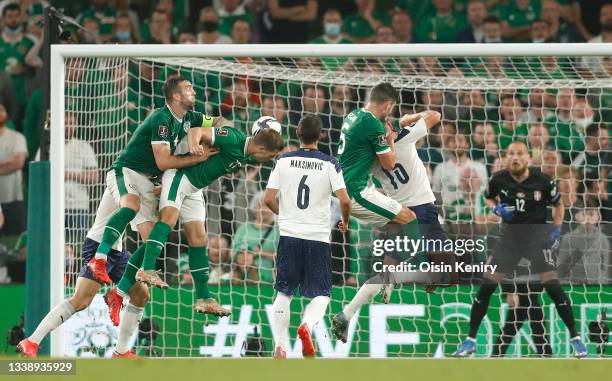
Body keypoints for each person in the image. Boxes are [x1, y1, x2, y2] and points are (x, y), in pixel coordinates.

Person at [106, 122, 284, 324]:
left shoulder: (246, 153)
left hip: (195, 189)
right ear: (262, 148)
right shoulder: (233, 138)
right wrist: (194, 146)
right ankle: (147, 270)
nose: (268, 160)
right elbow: (195, 131)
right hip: (180, 178)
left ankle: (203, 298)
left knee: (199, 239)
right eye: (269, 156)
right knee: (167, 222)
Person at [453, 141, 588, 358]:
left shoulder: (543, 181)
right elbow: (488, 197)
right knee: (486, 287)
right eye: (511, 154)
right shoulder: (499, 179)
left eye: (520, 154)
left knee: (552, 288)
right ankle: (470, 340)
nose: (515, 157)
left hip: (537, 239)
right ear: (507, 157)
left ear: (528, 158)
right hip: (510, 240)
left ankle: (575, 339)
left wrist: (555, 229)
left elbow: (559, 205)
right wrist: (496, 208)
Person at [85, 75, 222, 286]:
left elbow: (219, 121)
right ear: (176, 96)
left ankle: (125, 286)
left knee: (152, 240)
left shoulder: (190, 118)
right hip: (127, 171)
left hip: (149, 182)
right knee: (131, 205)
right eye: (188, 88)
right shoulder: (161, 118)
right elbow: (163, 161)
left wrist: (224, 133)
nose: (193, 92)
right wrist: (197, 157)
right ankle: (99, 259)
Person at [332, 110, 454, 343]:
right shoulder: (405, 136)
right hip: (422, 213)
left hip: (397, 217)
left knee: (386, 276)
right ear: (389, 125)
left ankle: (346, 314)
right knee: (446, 272)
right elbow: (437, 115)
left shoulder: (373, 158)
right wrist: (410, 117)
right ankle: (413, 276)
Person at [16, 189, 151, 358]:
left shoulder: (139, 177)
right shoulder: (122, 177)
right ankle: (31, 341)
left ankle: (122, 351)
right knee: (81, 300)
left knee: (141, 293)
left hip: (117, 250)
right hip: (99, 245)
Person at [264, 115, 350, 359]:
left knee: (284, 293)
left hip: (290, 235)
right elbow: (344, 199)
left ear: (298, 132)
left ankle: (280, 345)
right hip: (318, 237)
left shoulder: (282, 160)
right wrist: (346, 221)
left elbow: (268, 199)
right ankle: (307, 326)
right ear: (320, 135)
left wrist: (286, 215)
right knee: (321, 293)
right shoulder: (329, 163)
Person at [337, 82, 416, 229]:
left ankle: (390, 252)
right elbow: (389, 164)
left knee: (394, 224)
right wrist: (390, 139)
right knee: (410, 218)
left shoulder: (354, 114)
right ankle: (420, 253)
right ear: (387, 105)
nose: (390, 112)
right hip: (355, 191)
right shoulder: (373, 124)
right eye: (391, 108)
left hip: (341, 185)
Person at [0, 103, 27, 236]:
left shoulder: (17, 138)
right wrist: (7, 163)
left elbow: (18, 163)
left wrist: (12, 163)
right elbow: (12, 163)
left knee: (16, 241)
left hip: (13, 198)